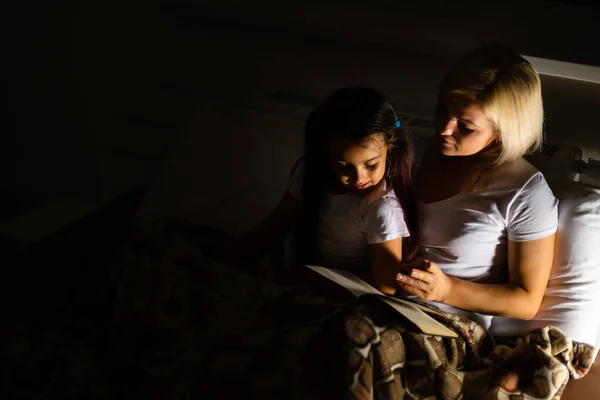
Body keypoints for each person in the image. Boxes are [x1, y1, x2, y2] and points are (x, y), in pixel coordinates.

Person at [396, 43, 558, 334]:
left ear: (502, 132)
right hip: (381, 300)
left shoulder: (524, 191)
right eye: (442, 110)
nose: (444, 129)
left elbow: (526, 301)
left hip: (447, 326)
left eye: (466, 127)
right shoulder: (414, 151)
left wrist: (446, 290)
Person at [231, 87, 419, 295]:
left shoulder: (381, 208)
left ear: (390, 148)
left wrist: (314, 280)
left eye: (371, 164)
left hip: (344, 296)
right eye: (344, 165)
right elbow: (277, 223)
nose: (358, 178)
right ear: (327, 151)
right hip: (298, 279)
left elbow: (385, 287)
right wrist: (233, 255)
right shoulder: (309, 173)